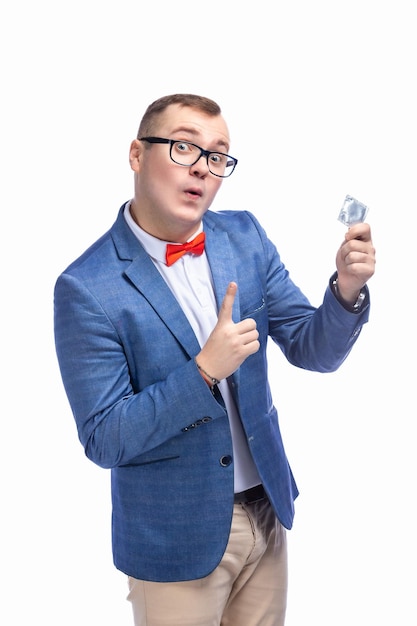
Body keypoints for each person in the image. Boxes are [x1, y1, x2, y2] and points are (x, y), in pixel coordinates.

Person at [54, 93, 376, 626]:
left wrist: (345, 291)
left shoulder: (245, 236)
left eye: (218, 155)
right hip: (174, 536)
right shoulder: (87, 288)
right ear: (137, 154)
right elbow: (104, 437)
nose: (202, 167)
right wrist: (203, 372)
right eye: (184, 147)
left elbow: (312, 349)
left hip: (267, 512)